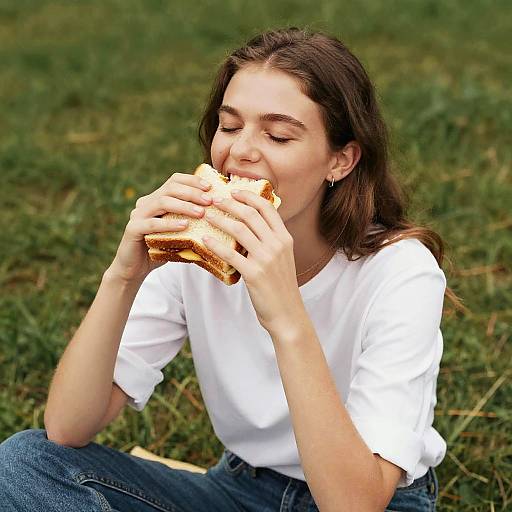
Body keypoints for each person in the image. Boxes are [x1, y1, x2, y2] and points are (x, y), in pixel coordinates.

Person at [0, 27, 460, 511]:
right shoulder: (196, 251)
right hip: (240, 490)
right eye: (230, 125)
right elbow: (68, 427)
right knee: (25, 463)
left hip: (370, 496)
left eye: (279, 134)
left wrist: (287, 318)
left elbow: (354, 502)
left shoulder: (400, 273)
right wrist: (123, 277)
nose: (240, 151)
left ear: (340, 160)